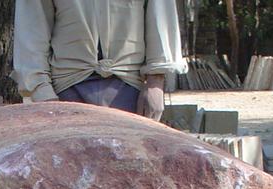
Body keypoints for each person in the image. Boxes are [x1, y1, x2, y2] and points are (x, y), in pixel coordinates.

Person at [12, 0, 187, 120]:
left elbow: (160, 14)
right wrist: (44, 95)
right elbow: (31, 31)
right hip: (65, 89)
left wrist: (155, 83)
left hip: (130, 88)